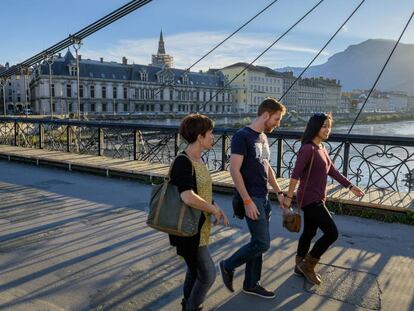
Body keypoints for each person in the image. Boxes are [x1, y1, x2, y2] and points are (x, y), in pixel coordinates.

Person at [283, 112, 364, 285]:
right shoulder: (307, 149)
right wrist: (289, 198)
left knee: (309, 232)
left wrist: (351, 186)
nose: (328, 130)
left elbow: (332, 171)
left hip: (318, 197)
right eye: (324, 126)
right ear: (315, 127)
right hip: (310, 199)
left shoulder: (322, 148)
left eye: (329, 126)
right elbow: (295, 176)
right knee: (331, 233)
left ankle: (299, 264)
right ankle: (308, 265)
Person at [219, 98, 286, 299]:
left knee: (257, 241)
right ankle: (228, 265)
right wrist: (247, 200)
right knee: (262, 243)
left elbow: (267, 167)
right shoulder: (242, 136)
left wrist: (279, 193)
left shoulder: (263, 137)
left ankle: (251, 283)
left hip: (263, 197)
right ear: (266, 115)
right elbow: (234, 170)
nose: (278, 123)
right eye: (276, 118)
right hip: (251, 198)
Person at [169, 113, 229, 311]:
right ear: (200, 136)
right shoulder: (183, 162)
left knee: (194, 272)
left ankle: (188, 303)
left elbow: (201, 191)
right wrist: (212, 208)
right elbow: (187, 196)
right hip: (188, 230)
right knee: (208, 274)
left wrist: (216, 208)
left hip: (200, 227)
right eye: (211, 133)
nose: (213, 137)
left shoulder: (200, 159)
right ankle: (192, 307)